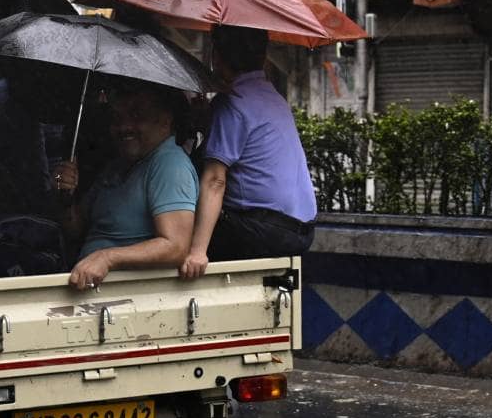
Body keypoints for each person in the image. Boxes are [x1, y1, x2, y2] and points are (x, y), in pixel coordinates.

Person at [181, 26, 317, 280]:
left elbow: (215, 180)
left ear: (216, 57)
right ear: (263, 56)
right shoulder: (273, 96)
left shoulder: (232, 102)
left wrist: (197, 252)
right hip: (302, 231)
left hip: (266, 230)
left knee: (176, 227)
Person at [52, 84, 199, 290]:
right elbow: (75, 229)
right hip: (87, 286)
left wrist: (107, 258)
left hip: (126, 296)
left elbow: (175, 247)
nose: (124, 127)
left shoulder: (170, 165)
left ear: (166, 120)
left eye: (137, 115)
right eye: (117, 119)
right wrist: (65, 195)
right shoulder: (117, 165)